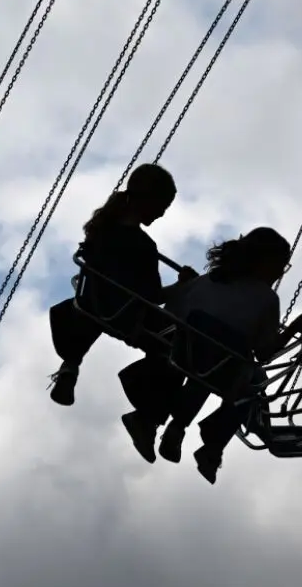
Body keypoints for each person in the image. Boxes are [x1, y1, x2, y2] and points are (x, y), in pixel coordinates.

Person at [118, 228, 302, 482]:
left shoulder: (205, 281)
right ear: (264, 262)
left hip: (184, 354)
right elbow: (264, 352)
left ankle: (167, 426)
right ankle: (209, 447)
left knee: (214, 363)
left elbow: (174, 313)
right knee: (252, 380)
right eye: (281, 265)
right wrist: (294, 329)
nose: (281, 272)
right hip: (224, 370)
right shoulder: (267, 298)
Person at [47, 163, 197, 407]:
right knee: (183, 344)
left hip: (93, 302)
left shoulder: (101, 229)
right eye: (162, 206)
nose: (162, 214)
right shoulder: (143, 246)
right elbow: (153, 297)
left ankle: (70, 367)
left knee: (97, 306)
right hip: (128, 315)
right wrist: (183, 286)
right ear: (147, 200)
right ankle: (147, 407)